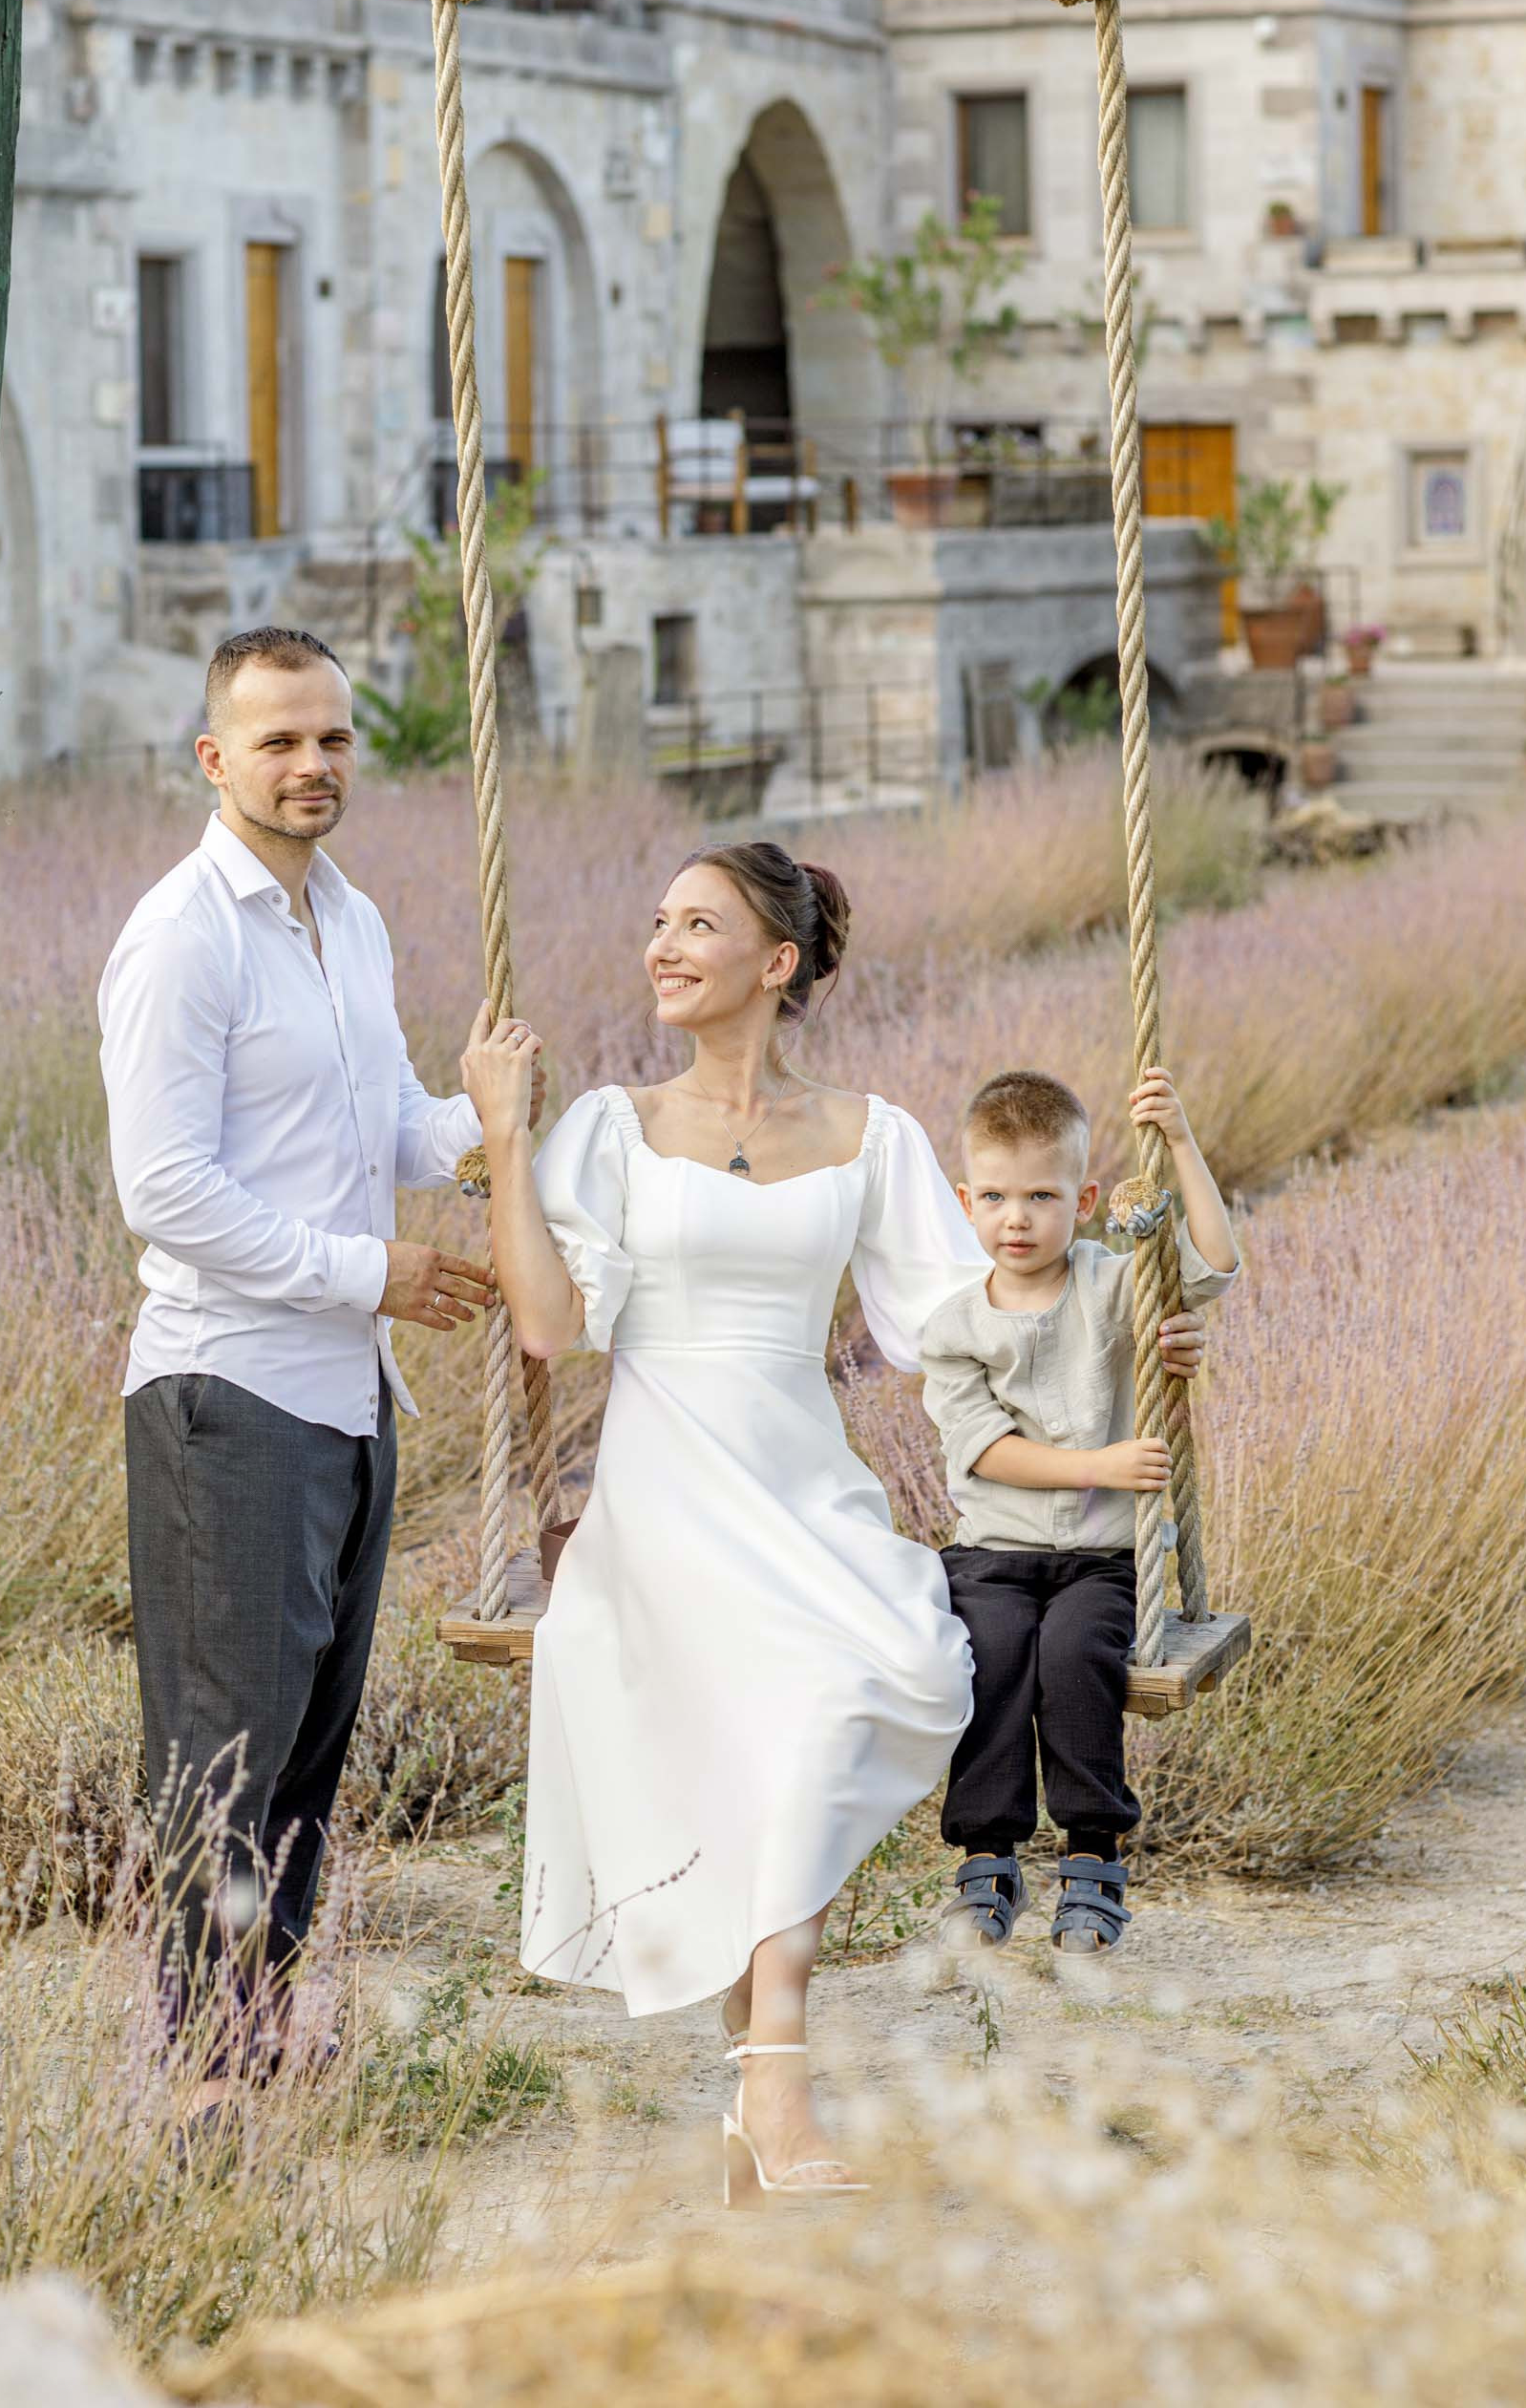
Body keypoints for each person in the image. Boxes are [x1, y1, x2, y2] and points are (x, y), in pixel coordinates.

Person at [458, 840, 987, 2205]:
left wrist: (1118, 1311)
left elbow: (955, 1329)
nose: (664, 946)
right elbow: (546, 1325)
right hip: (662, 1493)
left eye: (701, 924)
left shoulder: (872, 1135)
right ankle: (777, 2084)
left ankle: (763, 2068)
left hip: (801, 1480)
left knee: (902, 1673)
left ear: (779, 961)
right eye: (657, 922)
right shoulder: (611, 1129)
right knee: (789, 1716)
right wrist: (509, 1138)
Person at [97, 625, 532, 2059]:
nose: (311, 764)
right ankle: (207, 2057)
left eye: (333, 737)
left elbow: (385, 1126)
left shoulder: (351, 917)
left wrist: (491, 1118)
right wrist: (373, 1272)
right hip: (230, 1393)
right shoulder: (183, 935)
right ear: (214, 758)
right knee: (224, 1751)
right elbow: (162, 1190)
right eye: (277, 740)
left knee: (304, 1748)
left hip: (348, 1394)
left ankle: (261, 2014)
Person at [920, 1065, 1240, 1955]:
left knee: (1071, 1656)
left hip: (1104, 1558)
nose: (1015, 1218)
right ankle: (987, 1858)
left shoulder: (1113, 1287)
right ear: (965, 1201)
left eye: (1040, 1195)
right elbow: (984, 1452)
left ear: (1087, 1199)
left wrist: (1177, 1138)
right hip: (993, 1550)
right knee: (988, 1654)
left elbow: (1212, 1264)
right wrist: (1099, 1463)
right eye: (993, 1196)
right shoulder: (953, 1329)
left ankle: (1093, 1859)